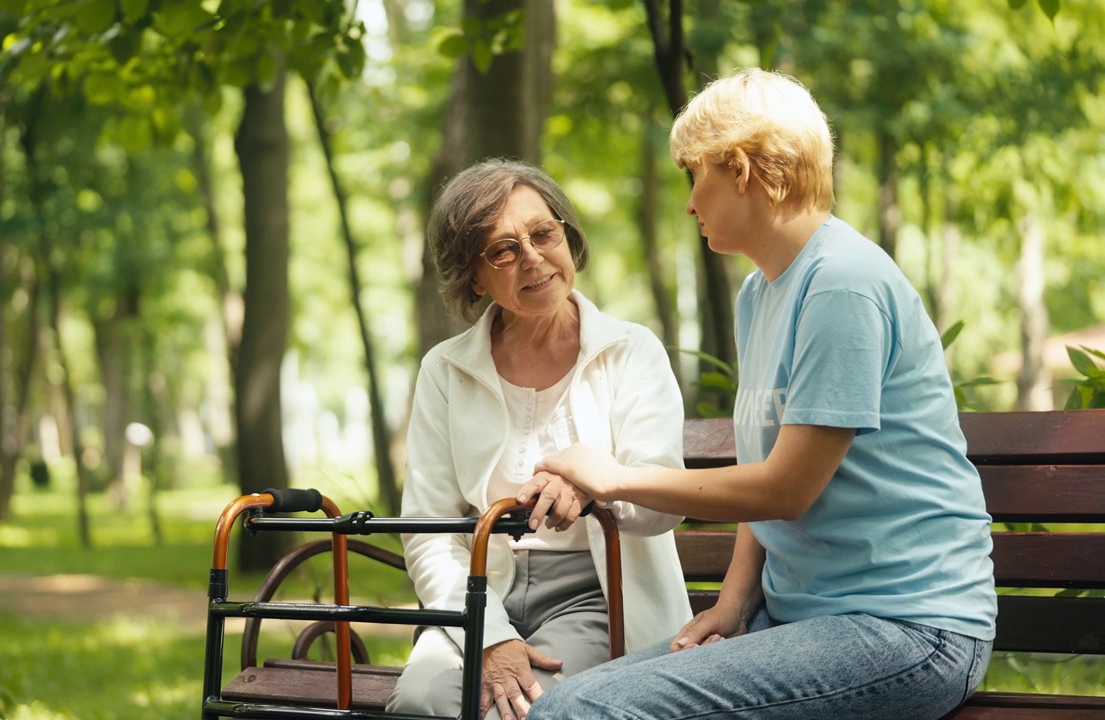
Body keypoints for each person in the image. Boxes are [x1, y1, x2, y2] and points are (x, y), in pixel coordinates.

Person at [522, 68, 997, 720]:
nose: (690, 202)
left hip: (909, 628)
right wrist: (734, 602)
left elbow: (784, 489)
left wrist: (613, 477)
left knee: (583, 715)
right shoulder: (761, 291)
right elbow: (764, 467)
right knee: (562, 704)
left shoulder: (843, 285)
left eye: (695, 175)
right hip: (801, 620)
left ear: (740, 170)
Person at [386, 158, 693, 720]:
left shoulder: (631, 351)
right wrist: (489, 637)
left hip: (600, 593)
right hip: (481, 592)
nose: (532, 258)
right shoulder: (445, 370)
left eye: (542, 233)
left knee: (527, 710)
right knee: (417, 703)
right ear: (474, 277)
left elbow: (663, 504)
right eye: (502, 250)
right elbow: (428, 532)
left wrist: (593, 483)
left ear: (567, 238)